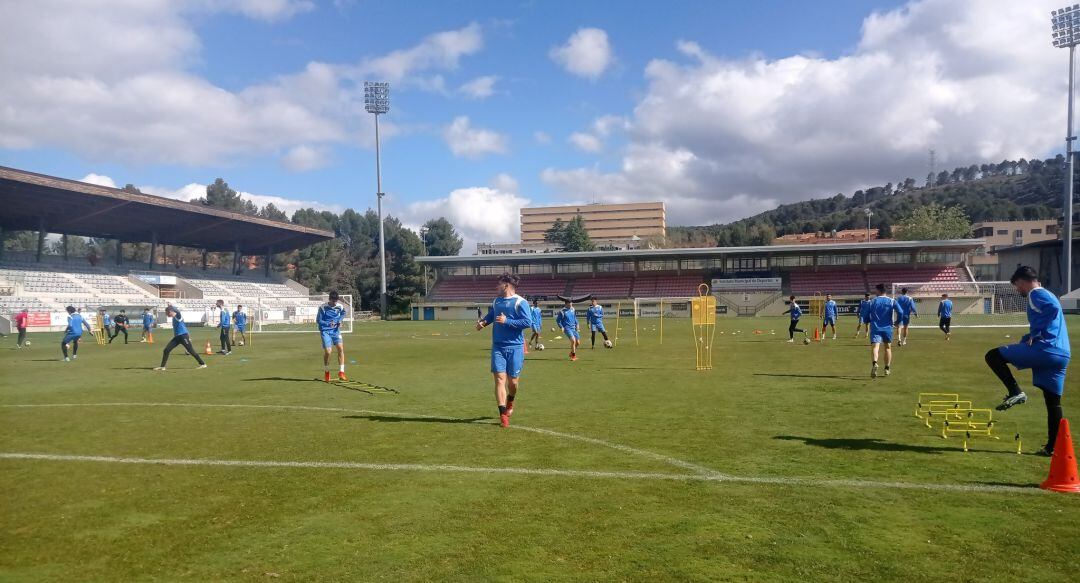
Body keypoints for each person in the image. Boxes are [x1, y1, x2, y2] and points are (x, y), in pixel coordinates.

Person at [985, 266, 1071, 456]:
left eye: (1017, 286)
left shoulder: (1036, 293)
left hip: (1046, 350)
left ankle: (1015, 391)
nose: (1018, 290)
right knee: (1053, 403)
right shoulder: (1048, 293)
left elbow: (1053, 309)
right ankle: (1052, 448)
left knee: (992, 356)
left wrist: (1038, 333)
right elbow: (1051, 315)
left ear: (1023, 281)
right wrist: (1030, 335)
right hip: (1062, 354)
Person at [475, 273, 534, 428]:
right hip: (498, 346)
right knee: (499, 380)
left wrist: (507, 321)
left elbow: (527, 321)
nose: (496, 286)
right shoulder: (497, 301)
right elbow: (492, 315)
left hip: (515, 347)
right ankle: (502, 415)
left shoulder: (521, 302)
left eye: (499, 284)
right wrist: (483, 322)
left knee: (513, 382)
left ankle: (511, 400)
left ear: (506, 285)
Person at [154, 305, 207, 370]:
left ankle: (203, 364)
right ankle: (162, 367)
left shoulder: (178, 316)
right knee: (166, 350)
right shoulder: (174, 318)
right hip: (177, 337)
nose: (166, 314)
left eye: (167, 313)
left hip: (183, 336)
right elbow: (183, 326)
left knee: (191, 351)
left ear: (171, 311)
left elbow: (178, 312)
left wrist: (171, 307)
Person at [867, 283, 899, 378]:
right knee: (887, 348)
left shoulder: (872, 301)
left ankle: (875, 363)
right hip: (887, 328)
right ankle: (887, 368)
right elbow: (900, 312)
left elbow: (866, 314)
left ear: (879, 290)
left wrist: (868, 320)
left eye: (876, 290)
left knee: (875, 347)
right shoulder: (892, 301)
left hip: (876, 328)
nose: (875, 292)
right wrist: (897, 321)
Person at [317, 291, 347, 382]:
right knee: (328, 352)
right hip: (325, 331)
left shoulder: (339, 306)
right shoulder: (323, 307)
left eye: (336, 301)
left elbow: (343, 313)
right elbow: (319, 320)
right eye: (333, 301)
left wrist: (340, 320)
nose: (335, 303)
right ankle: (327, 372)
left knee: (340, 348)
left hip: (335, 331)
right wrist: (328, 323)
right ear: (329, 299)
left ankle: (341, 372)